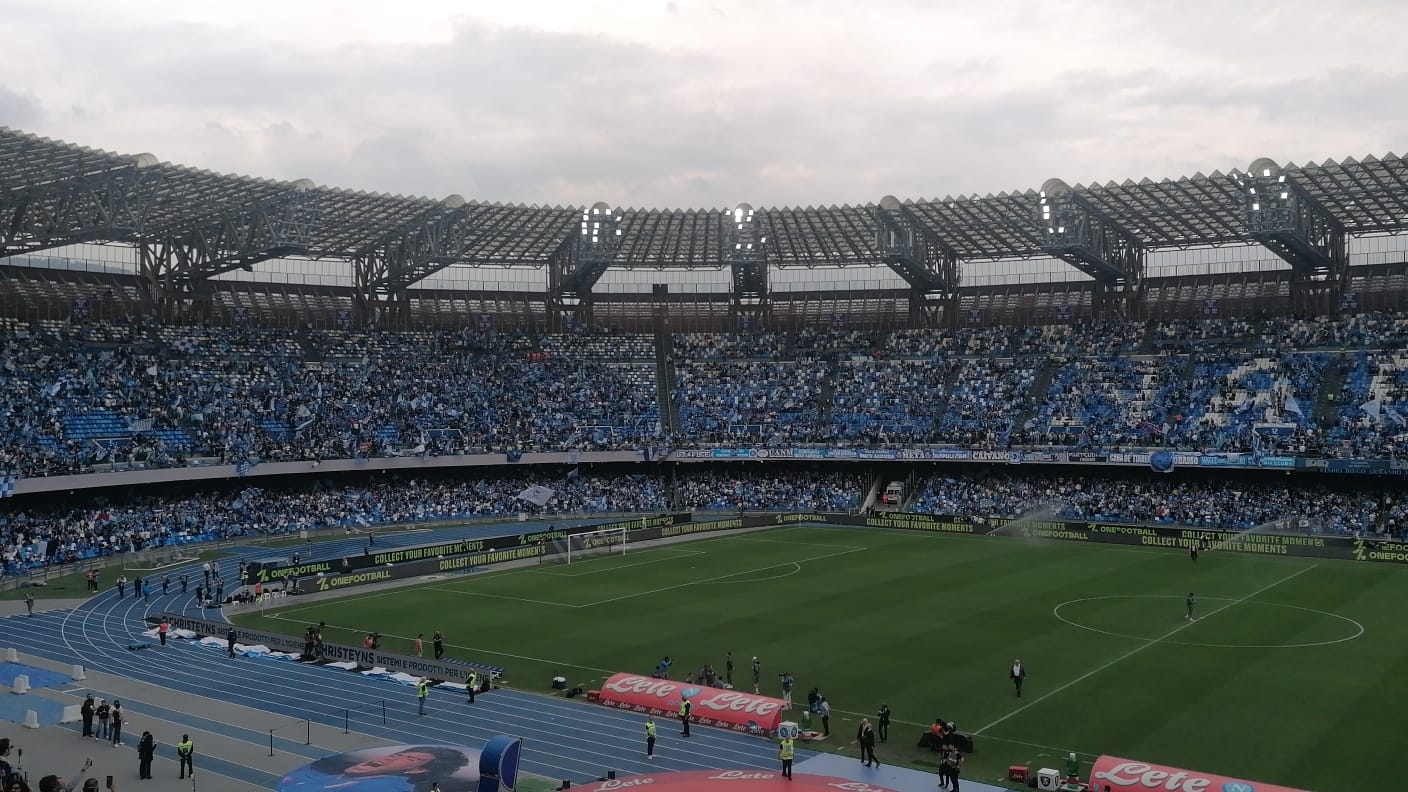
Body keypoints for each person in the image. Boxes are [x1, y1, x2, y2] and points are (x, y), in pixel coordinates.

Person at [280, 745, 469, 792]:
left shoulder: (386, 787)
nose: (388, 758)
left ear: (416, 771)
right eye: (396, 754)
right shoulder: (319, 772)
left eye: (410, 758)